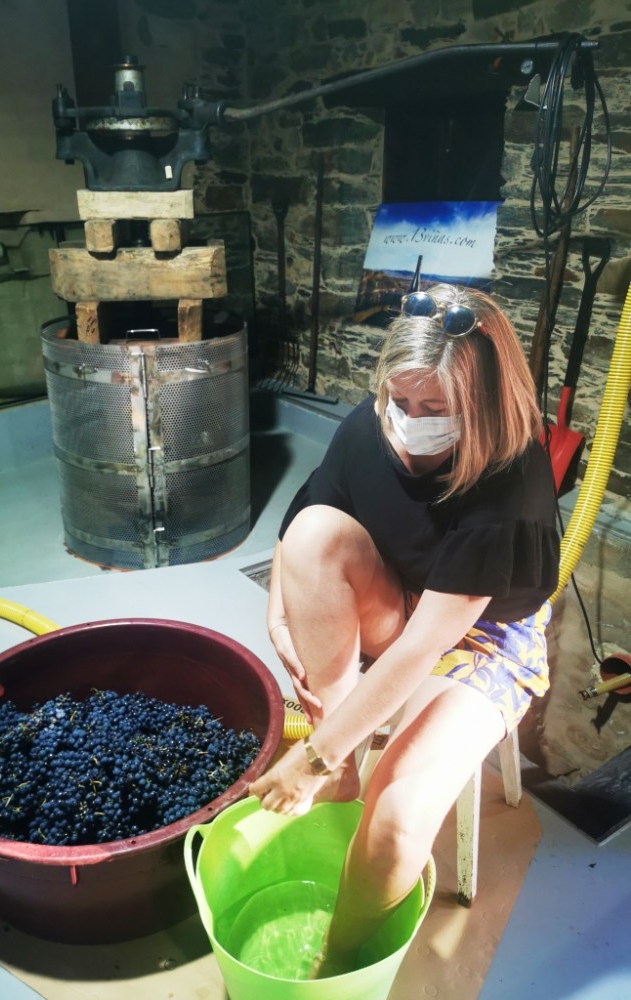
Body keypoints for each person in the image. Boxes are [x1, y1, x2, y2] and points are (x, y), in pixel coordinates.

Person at [249, 282, 560, 977]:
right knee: (314, 536)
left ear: (480, 406)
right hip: (408, 595)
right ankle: (343, 771)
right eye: (400, 400)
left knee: (395, 819)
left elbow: (424, 646)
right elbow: (306, 518)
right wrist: (278, 606)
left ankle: (337, 962)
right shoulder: (371, 428)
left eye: (435, 411)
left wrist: (314, 756)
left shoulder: (509, 482)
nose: (409, 423)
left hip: (486, 639)